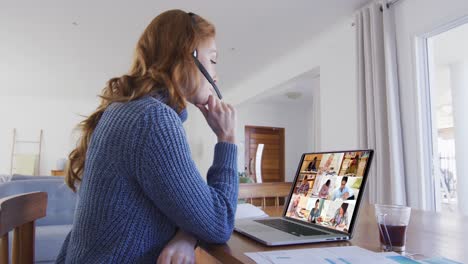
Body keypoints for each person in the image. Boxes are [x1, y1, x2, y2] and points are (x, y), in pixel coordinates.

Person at [56, 10, 238, 263]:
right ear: (188, 56)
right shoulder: (153, 121)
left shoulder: (132, 111)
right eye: (213, 59)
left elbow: (183, 205)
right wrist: (226, 139)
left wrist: (186, 234)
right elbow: (219, 223)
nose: (216, 74)